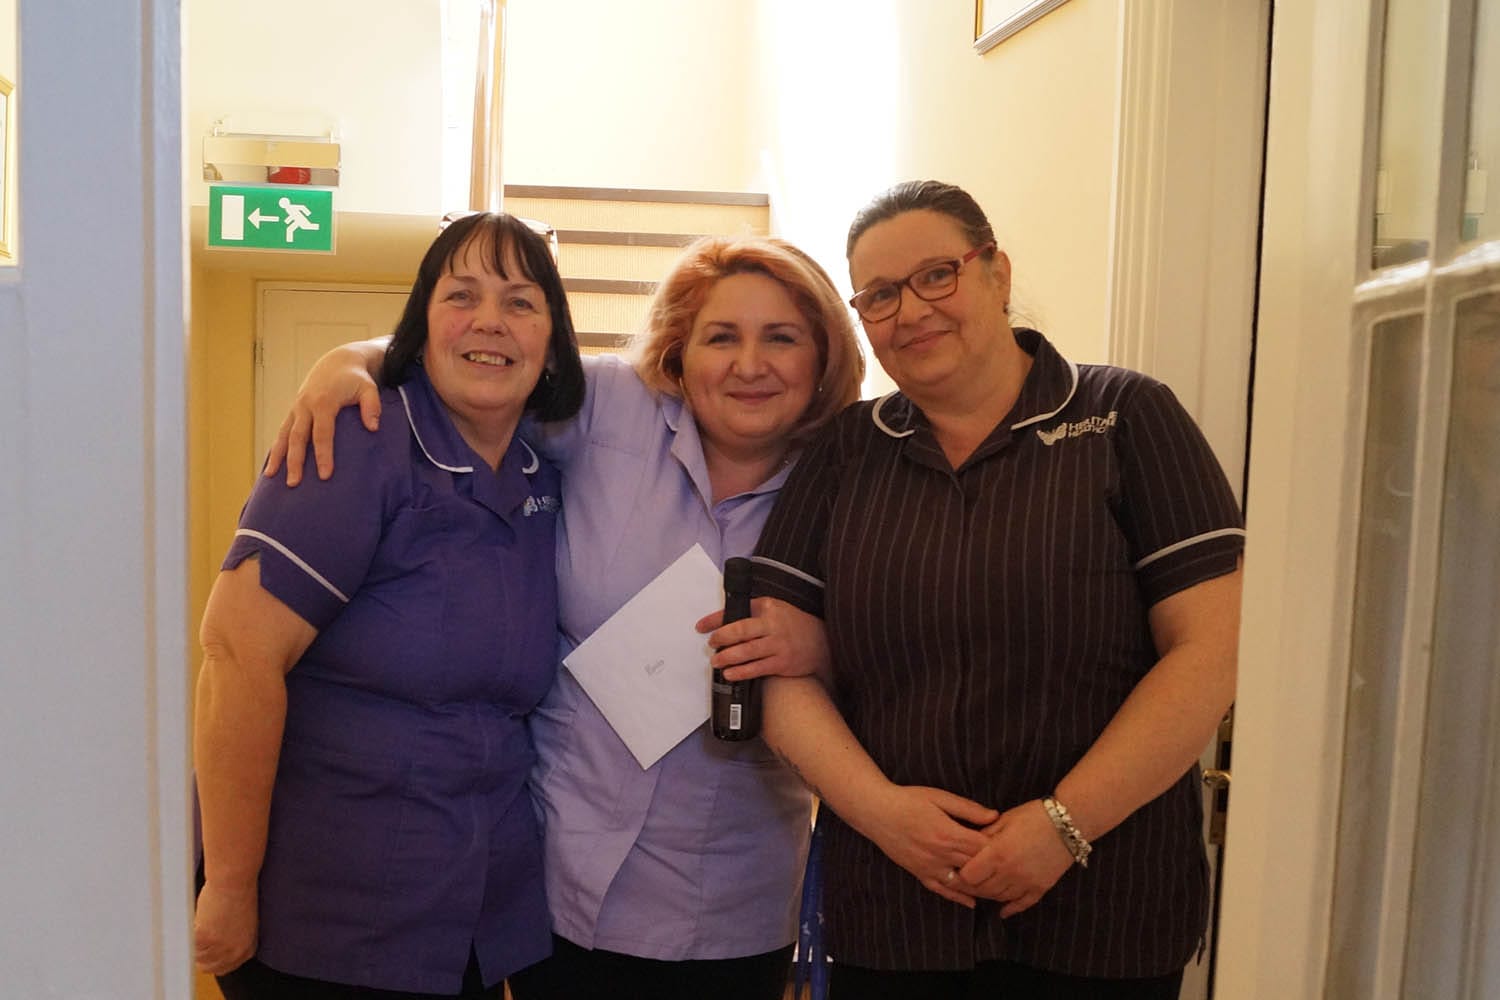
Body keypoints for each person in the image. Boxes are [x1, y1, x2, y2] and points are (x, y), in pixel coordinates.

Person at [264, 236, 879, 1000]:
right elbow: (484, 366)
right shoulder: (610, 409)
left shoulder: (858, 490)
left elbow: (897, 657)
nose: (749, 364)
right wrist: (354, 359)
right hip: (557, 883)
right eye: (722, 337)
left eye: (781, 338)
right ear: (680, 352)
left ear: (822, 359)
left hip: (729, 904)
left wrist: (819, 646)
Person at [709, 180, 1245, 999]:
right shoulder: (849, 449)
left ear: (995, 272)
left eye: (937, 274)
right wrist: (883, 813)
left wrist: (1064, 826)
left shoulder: (1126, 417)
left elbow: (1211, 649)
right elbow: (772, 663)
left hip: (1104, 904)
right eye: (880, 295)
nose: (911, 310)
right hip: (897, 910)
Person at [193, 211, 586, 999]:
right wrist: (230, 883)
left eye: (521, 302)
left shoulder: (543, 473)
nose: (490, 322)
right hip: (327, 915)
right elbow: (238, 655)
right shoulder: (359, 439)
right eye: (461, 296)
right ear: (421, 322)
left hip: (470, 910)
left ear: (552, 343)